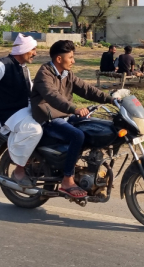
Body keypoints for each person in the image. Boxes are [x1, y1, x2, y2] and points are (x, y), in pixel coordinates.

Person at [31, 39, 120, 198]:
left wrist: (111, 99)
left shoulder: (67, 74)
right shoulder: (44, 73)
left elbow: (87, 89)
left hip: (65, 115)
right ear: (59, 59)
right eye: (70, 57)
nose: (73, 61)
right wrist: (75, 109)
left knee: (95, 127)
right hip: (49, 117)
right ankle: (67, 179)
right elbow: (52, 96)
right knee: (78, 135)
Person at [0, 34, 41, 187]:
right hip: (10, 116)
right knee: (34, 130)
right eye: (33, 49)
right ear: (23, 49)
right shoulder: (1, 65)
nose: (35, 53)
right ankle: (19, 170)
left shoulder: (23, 68)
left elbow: (30, 92)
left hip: (24, 111)